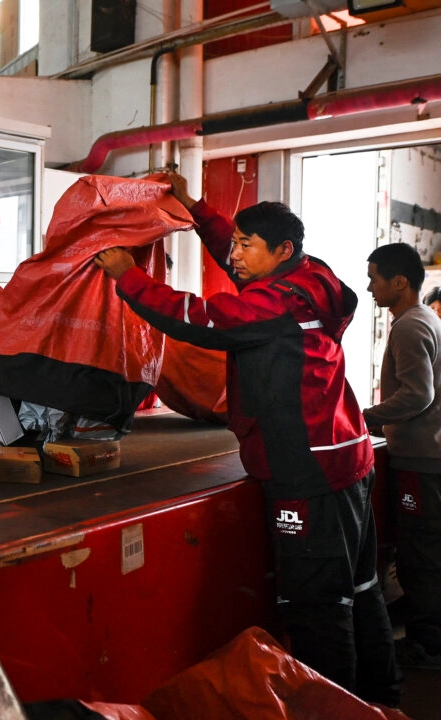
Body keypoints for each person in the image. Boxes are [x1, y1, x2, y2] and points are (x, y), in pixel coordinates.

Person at [94, 173, 401, 707]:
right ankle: (382, 700)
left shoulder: (276, 306)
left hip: (306, 471)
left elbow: (201, 318)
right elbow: (237, 259)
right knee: (359, 589)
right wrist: (195, 208)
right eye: (233, 242)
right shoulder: (309, 278)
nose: (233, 254)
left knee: (315, 609)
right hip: (346, 459)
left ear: (282, 250)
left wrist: (128, 277)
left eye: (245, 245)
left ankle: (334, 711)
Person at [363, 242, 441, 669]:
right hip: (429, 457)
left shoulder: (410, 326)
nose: (370, 286)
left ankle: (428, 647)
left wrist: (364, 418)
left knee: (421, 555)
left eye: (375, 277)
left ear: (399, 282)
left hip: (422, 462)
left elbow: (417, 394)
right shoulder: (427, 319)